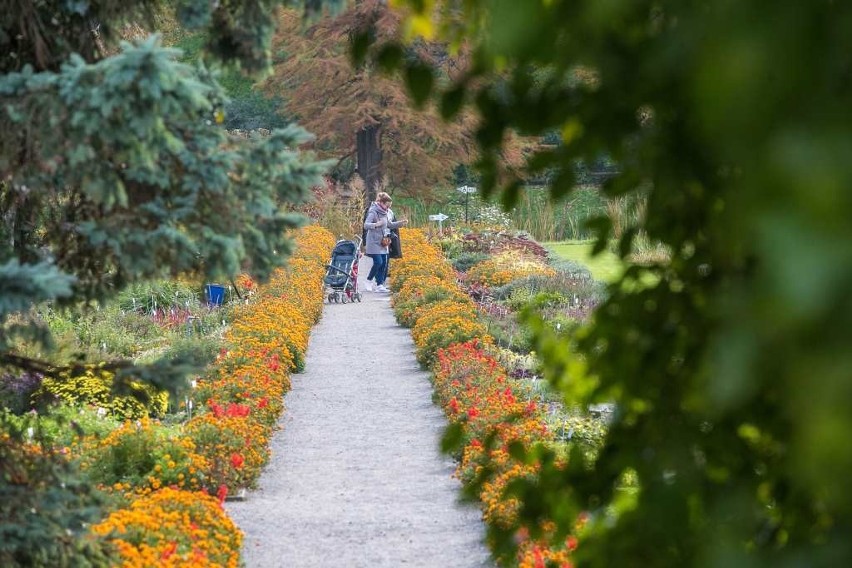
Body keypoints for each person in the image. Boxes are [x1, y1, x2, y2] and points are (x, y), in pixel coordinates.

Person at [363, 191, 407, 292]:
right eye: (387, 205)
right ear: (382, 203)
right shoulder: (373, 211)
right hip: (374, 241)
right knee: (378, 262)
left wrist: (401, 223)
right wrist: (376, 224)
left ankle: (379, 285)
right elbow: (366, 225)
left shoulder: (386, 212)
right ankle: (368, 280)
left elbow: (390, 224)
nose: (388, 208)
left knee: (384, 263)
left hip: (384, 242)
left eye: (389, 206)